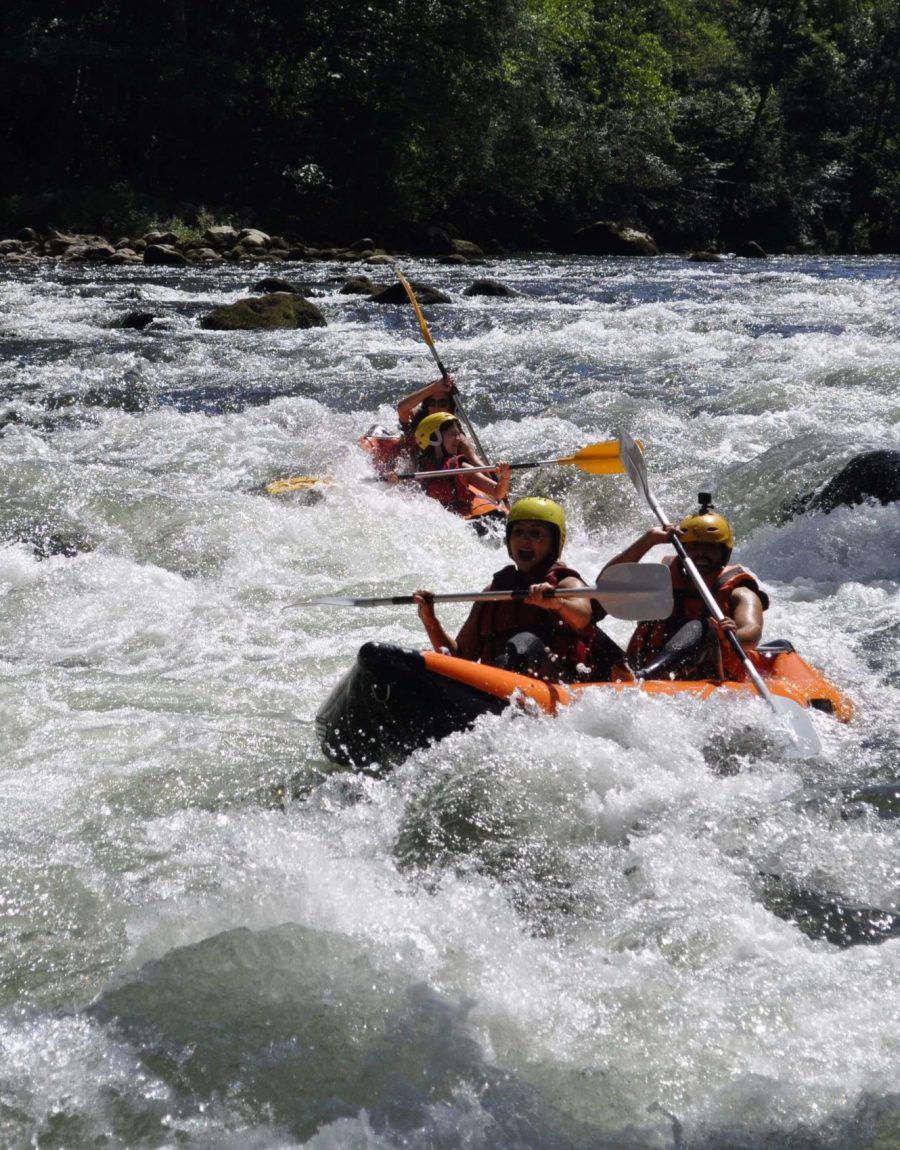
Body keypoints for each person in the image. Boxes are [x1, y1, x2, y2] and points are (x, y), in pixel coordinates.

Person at [414, 497, 628, 682]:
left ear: (553, 544)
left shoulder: (566, 584)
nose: (524, 539)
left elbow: (583, 616)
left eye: (536, 534)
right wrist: (431, 621)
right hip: (502, 683)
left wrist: (557, 603)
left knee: (525, 641)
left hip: (561, 681)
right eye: (518, 532)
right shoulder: (493, 593)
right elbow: (460, 658)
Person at [602, 493, 768, 680]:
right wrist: (648, 540)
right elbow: (607, 585)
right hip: (646, 662)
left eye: (710, 548)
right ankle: (635, 673)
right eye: (693, 547)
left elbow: (752, 634)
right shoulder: (661, 578)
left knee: (704, 627)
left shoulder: (739, 591)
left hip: (705, 672)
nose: (700, 554)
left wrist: (730, 634)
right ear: (682, 548)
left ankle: (643, 676)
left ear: (724, 552)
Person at [412, 411, 510, 515]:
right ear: (435, 437)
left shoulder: (462, 468)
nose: (458, 439)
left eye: (459, 434)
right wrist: (394, 480)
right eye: (453, 434)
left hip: (460, 521)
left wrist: (505, 476)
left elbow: (498, 492)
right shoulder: (420, 465)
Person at [397, 375, 484, 466]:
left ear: (450, 407)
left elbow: (476, 462)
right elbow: (402, 408)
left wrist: (497, 472)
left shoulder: (457, 437)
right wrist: (435, 387)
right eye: (431, 403)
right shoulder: (417, 418)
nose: (436, 408)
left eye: (442, 404)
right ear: (426, 405)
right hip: (404, 461)